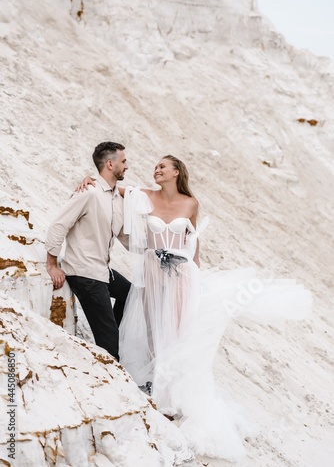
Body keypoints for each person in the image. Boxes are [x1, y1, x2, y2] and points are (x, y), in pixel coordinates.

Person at [79, 154, 313, 462]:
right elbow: (109, 186)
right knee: (152, 326)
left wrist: (197, 273)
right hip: (151, 272)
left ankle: (170, 396)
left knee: (176, 329)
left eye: (162, 166)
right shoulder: (142, 195)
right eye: (156, 167)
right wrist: (89, 180)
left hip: (180, 275)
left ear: (176, 172)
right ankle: (153, 383)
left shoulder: (190, 203)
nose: (156, 170)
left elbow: (194, 241)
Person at [45, 142, 131, 361]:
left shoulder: (115, 198)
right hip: (84, 274)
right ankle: (108, 349)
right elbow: (59, 225)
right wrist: (52, 264)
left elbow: (124, 237)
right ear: (110, 164)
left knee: (131, 294)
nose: (127, 166)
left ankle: (109, 331)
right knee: (110, 346)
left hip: (101, 270)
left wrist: (157, 251)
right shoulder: (88, 193)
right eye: (123, 161)